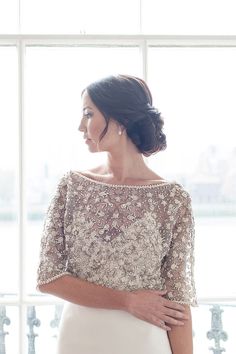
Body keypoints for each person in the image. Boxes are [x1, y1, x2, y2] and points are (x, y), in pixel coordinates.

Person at [36, 74, 197, 354]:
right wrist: (127, 300)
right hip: (78, 338)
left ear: (120, 120)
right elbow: (48, 277)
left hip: (143, 341)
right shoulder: (72, 186)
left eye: (89, 114)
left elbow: (177, 301)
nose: (80, 126)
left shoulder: (172, 200)